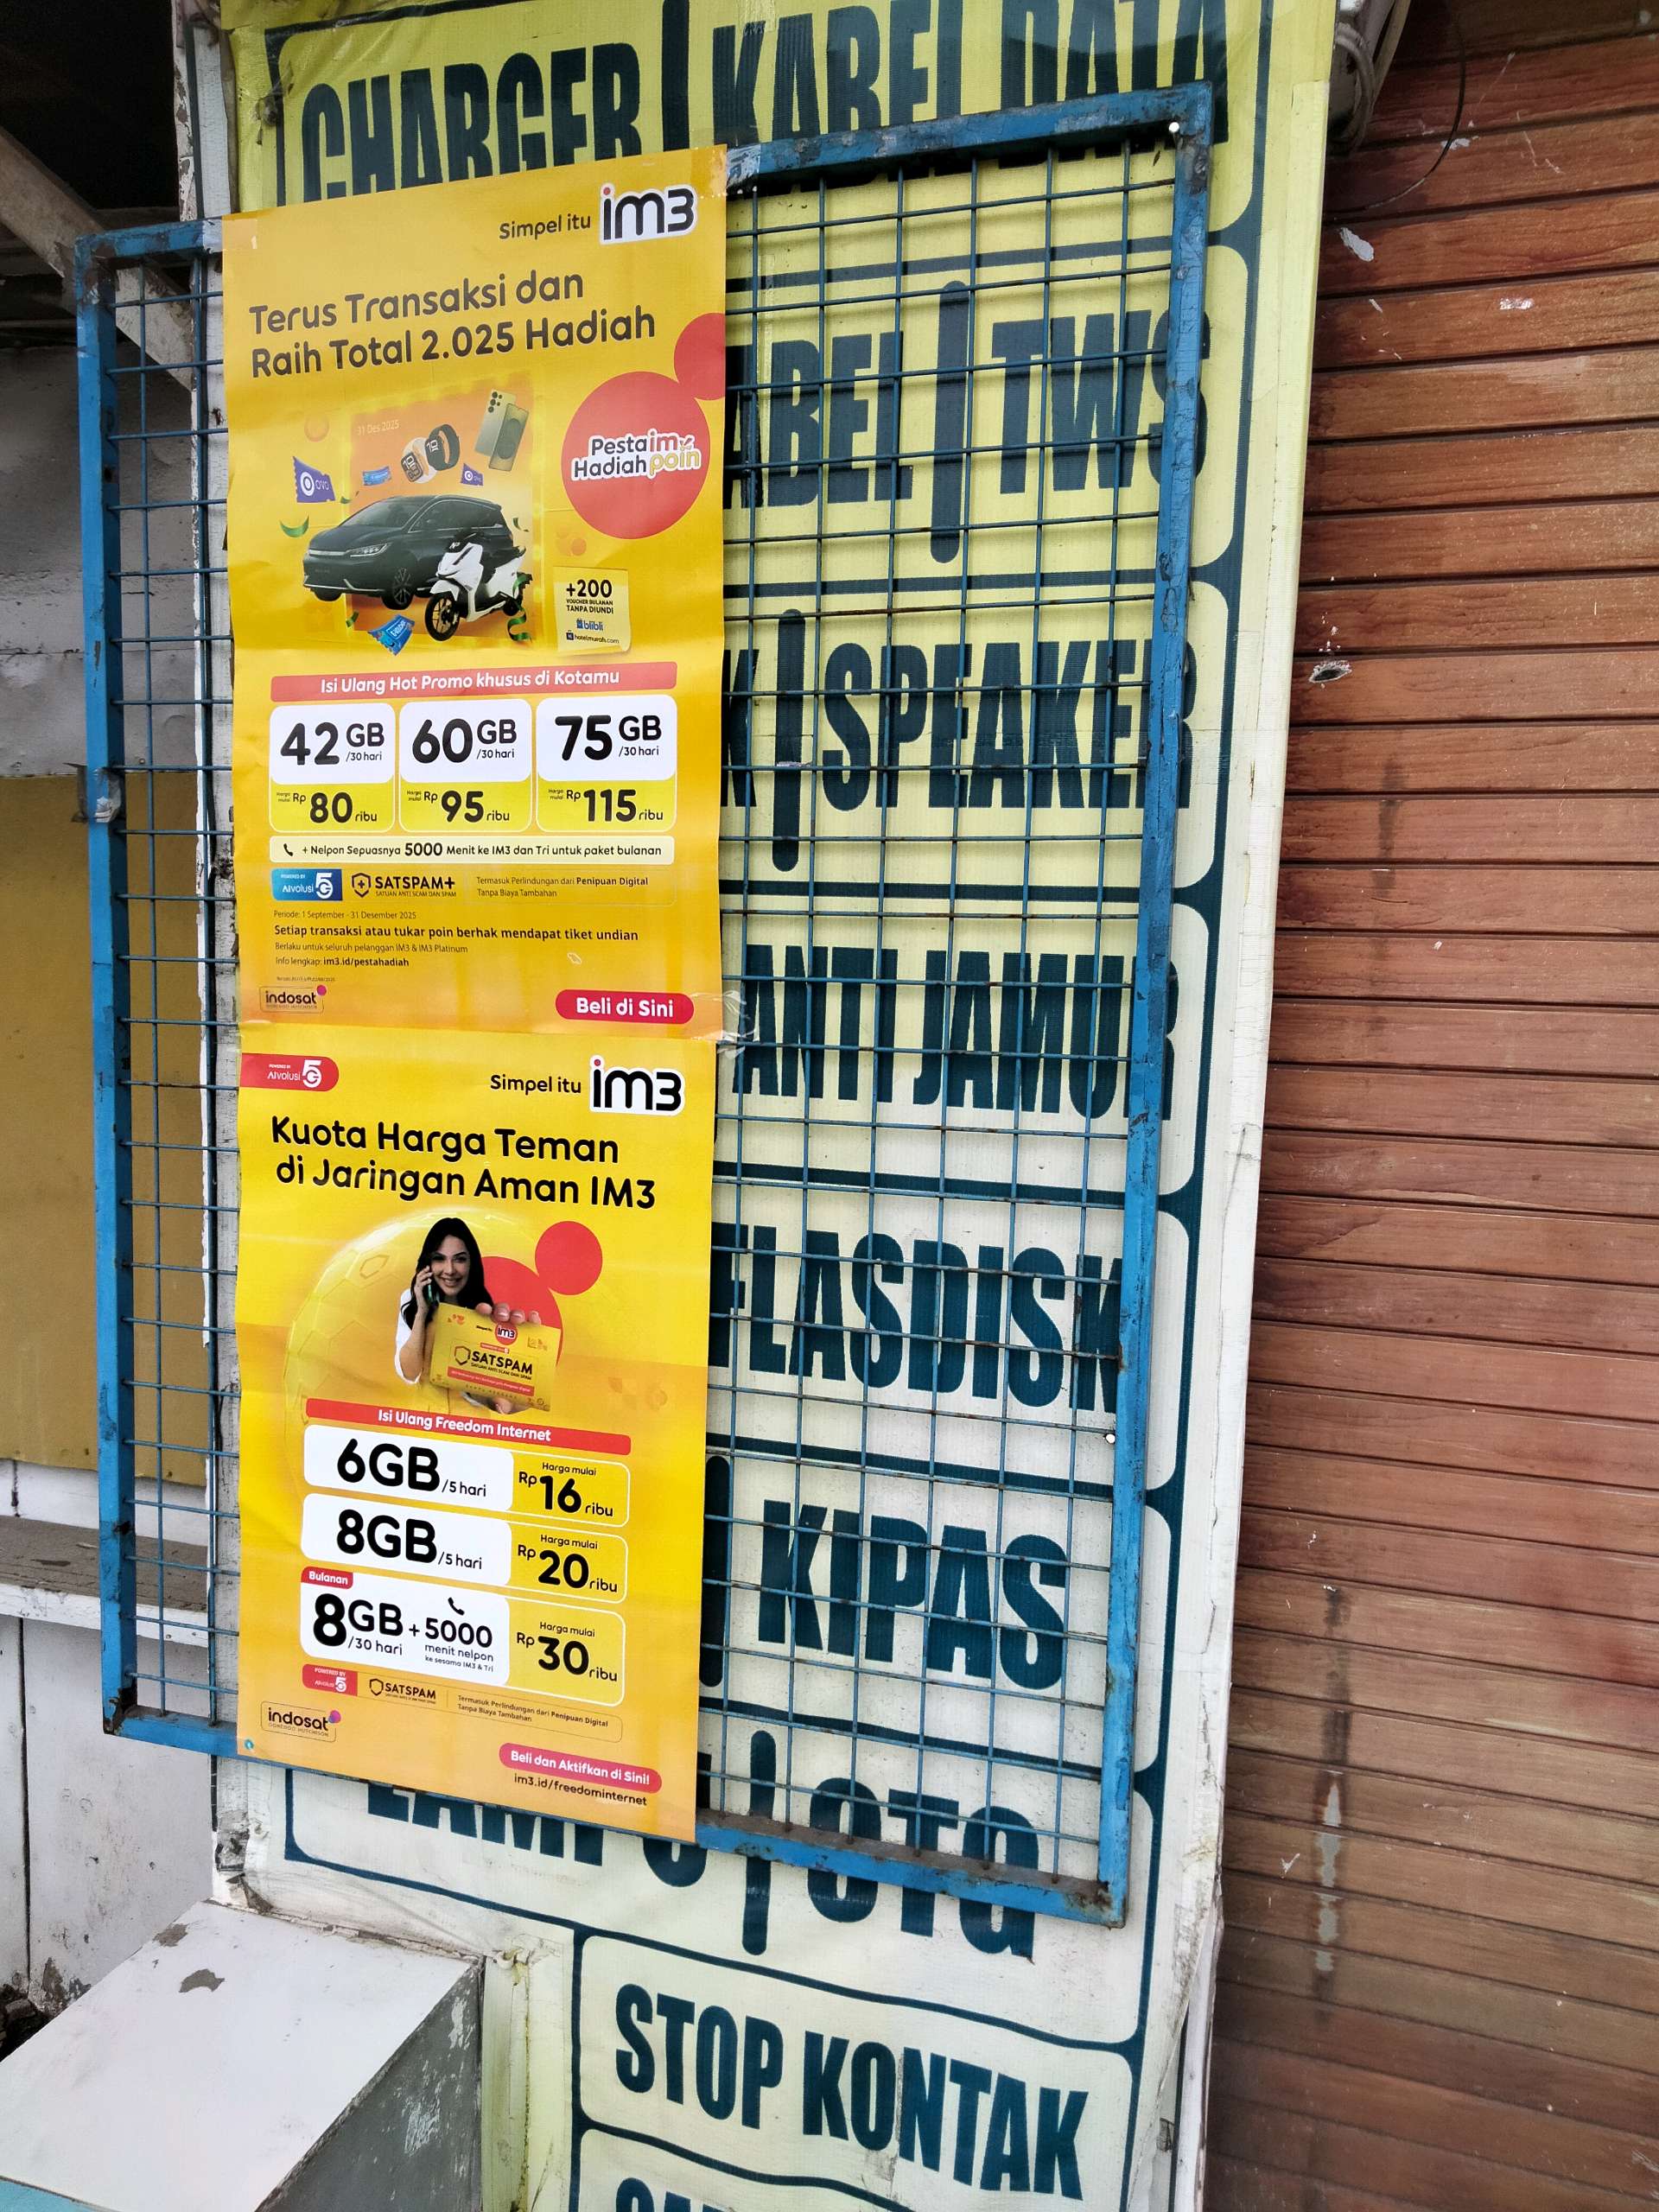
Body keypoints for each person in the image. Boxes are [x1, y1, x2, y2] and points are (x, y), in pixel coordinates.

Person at [395, 1217, 541, 1411]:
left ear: (472, 1263)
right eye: (439, 1258)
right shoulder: (412, 1300)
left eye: (460, 1259)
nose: (449, 1270)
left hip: (471, 1421)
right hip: (424, 1419)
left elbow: (493, 1391)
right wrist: (422, 1311)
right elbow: (410, 1372)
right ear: (428, 1263)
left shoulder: (488, 1308)